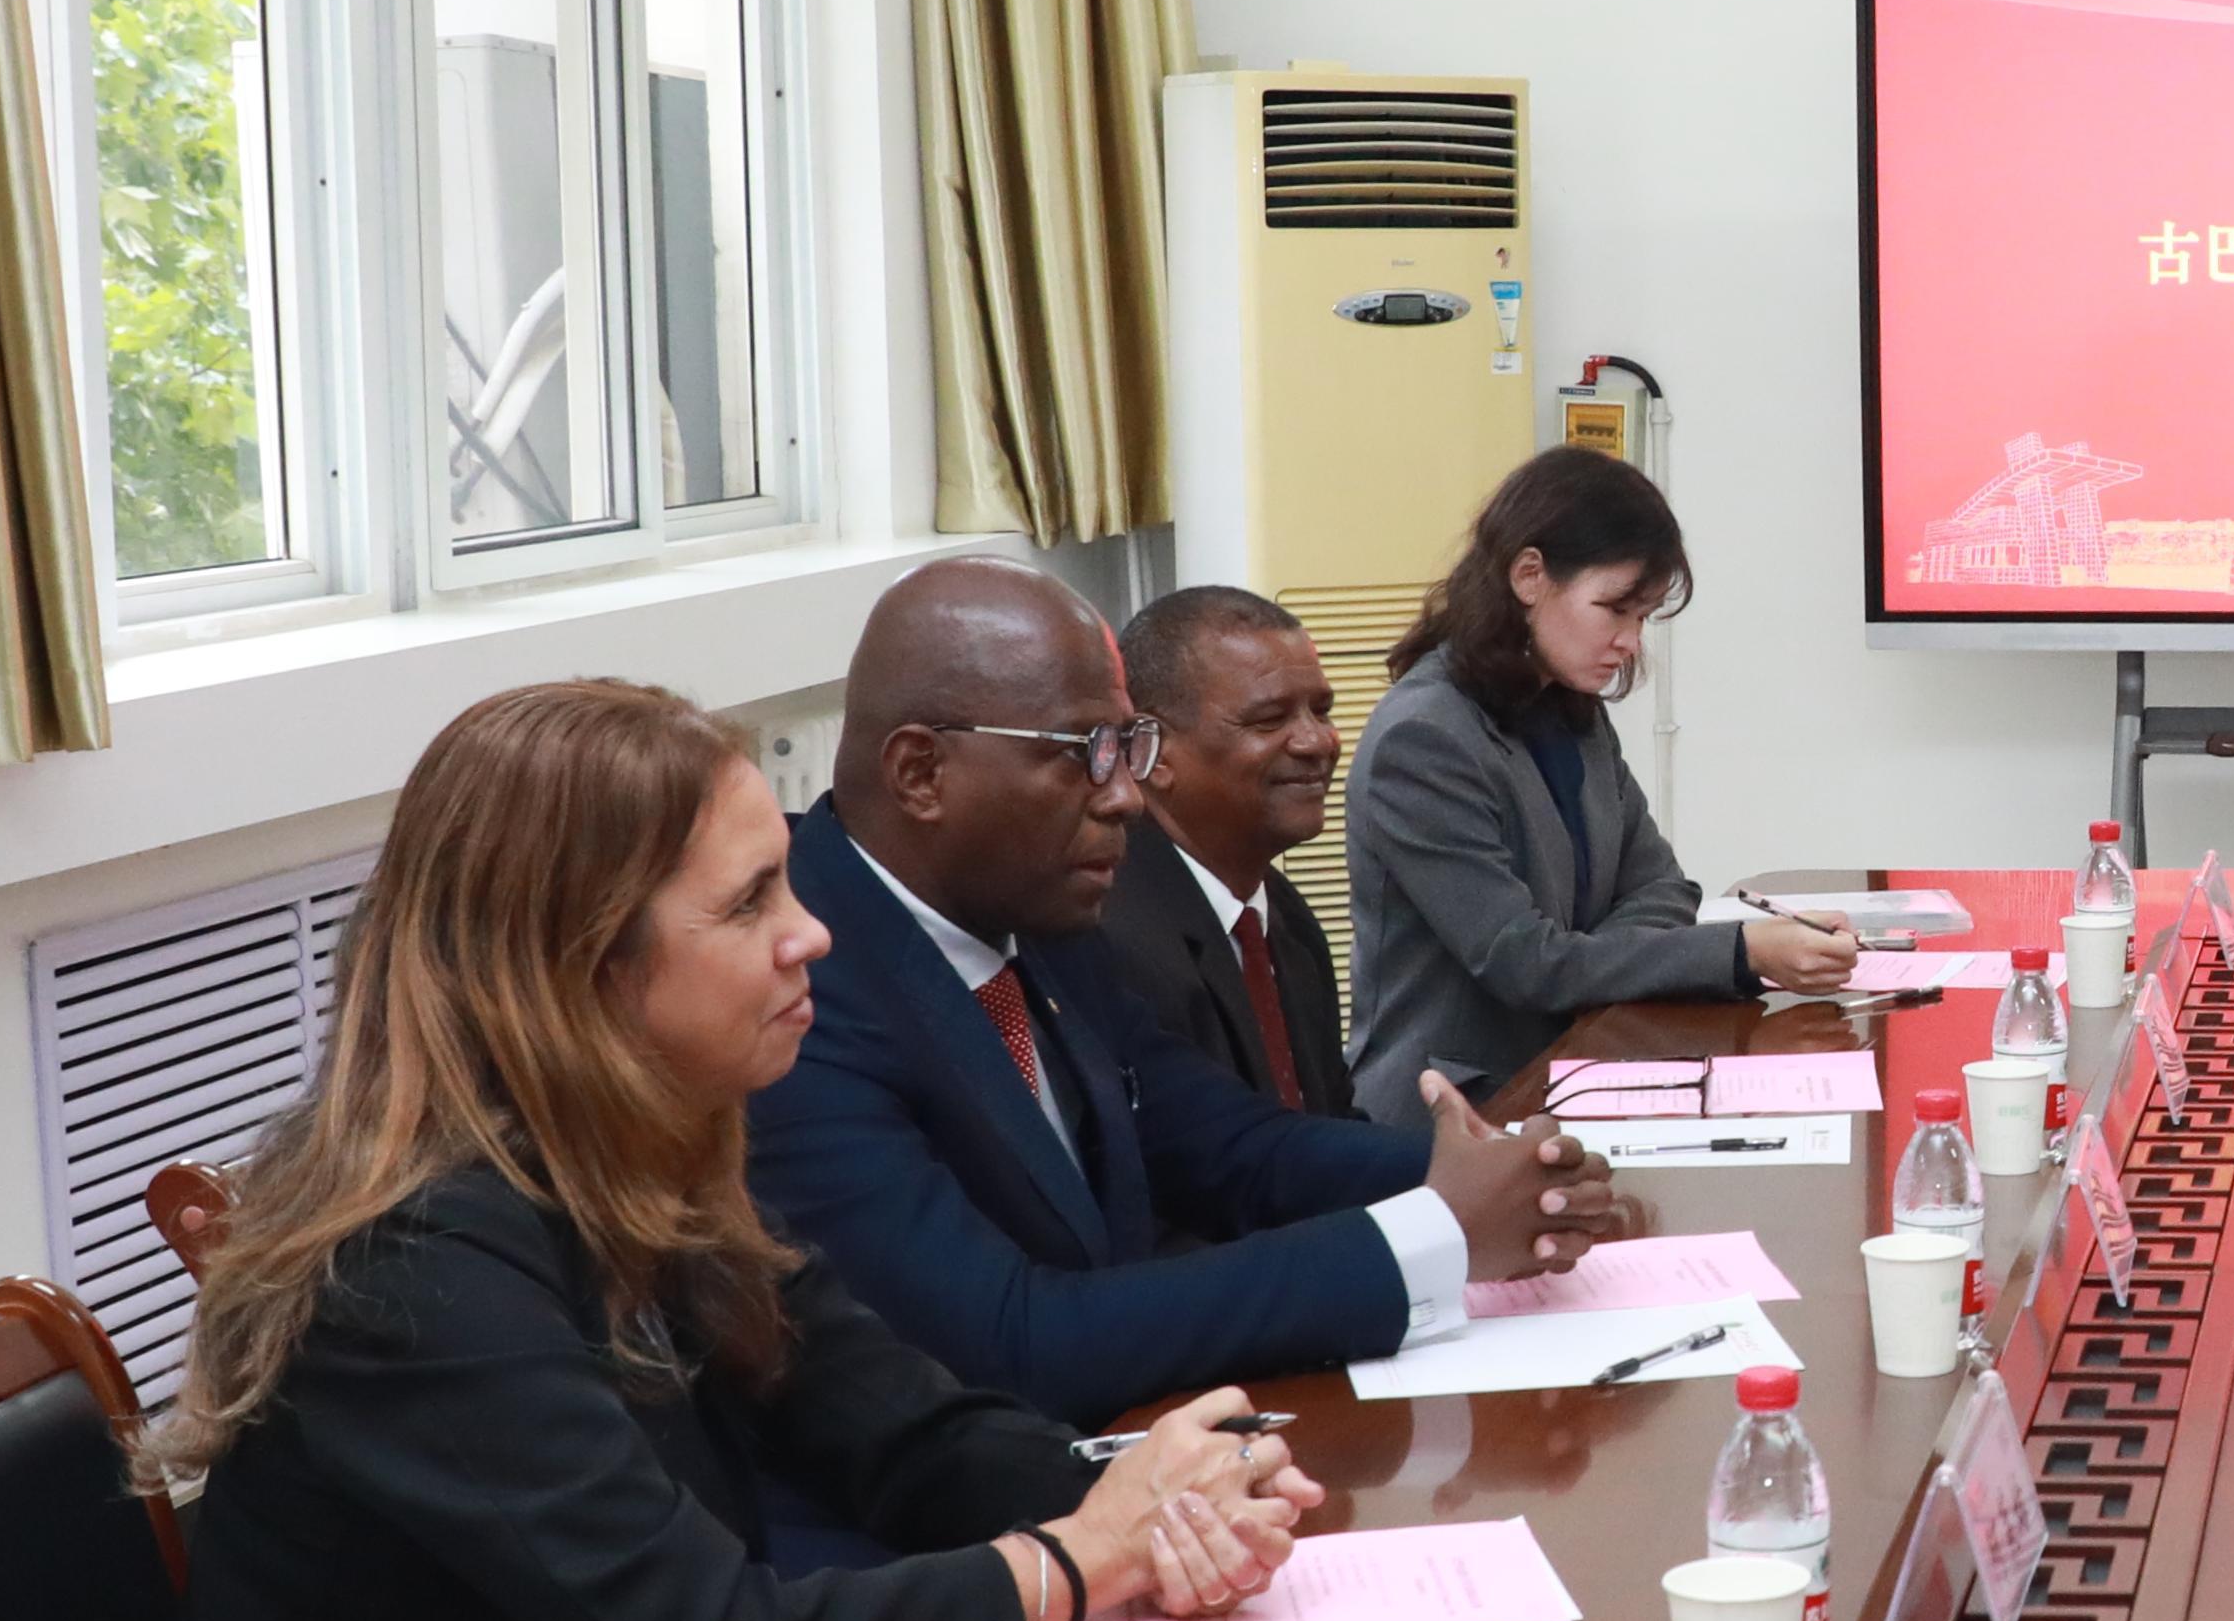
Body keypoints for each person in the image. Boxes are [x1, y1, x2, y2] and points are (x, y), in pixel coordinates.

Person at [82, 681, 1319, 1621]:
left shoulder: (630, 1158)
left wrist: (1152, 1492)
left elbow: (899, 1431)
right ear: (574, 967)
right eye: (747, 904)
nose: (813, 933)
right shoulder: (415, 1264)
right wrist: (1084, 1561)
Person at [749, 561, 1605, 1433]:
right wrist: (1425, 1236)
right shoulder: (795, 997)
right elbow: (1013, 1339)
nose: (1125, 795)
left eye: (1127, 748)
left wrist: (1493, 1171)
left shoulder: (1032, 915)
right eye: (1084, 751)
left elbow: (1233, 1150)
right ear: (921, 772)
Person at [1344, 447, 1862, 1123]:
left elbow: (1662, 886)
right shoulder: (1424, 739)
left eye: (1641, 617)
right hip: (1457, 1111)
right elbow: (1524, 963)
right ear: (1529, 575)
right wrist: (1742, 952)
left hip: (1585, 1068)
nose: (1630, 642)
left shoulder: (1572, 711)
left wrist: (1591, 963)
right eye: (1615, 609)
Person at [1098, 585, 1351, 1116]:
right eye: (1269, 720)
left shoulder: (1284, 914)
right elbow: (1206, 1156)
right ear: (1151, 751)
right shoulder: (1115, 936)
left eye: (1321, 711)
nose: (1317, 743)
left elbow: (1332, 1121)